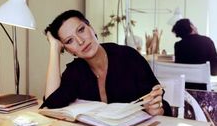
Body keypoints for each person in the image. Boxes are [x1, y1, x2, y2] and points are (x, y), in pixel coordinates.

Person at [40, 9, 172, 117]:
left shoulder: (128, 57)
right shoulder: (76, 71)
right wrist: (54, 47)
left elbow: (160, 104)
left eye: (81, 30)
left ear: (91, 28)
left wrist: (156, 108)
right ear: (68, 50)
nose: (80, 41)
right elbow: (51, 103)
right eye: (69, 41)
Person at [172, 18, 217, 90]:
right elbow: (214, 71)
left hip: (184, 90)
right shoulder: (207, 41)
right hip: (202, 91)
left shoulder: (178, 46)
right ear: (191, 26)